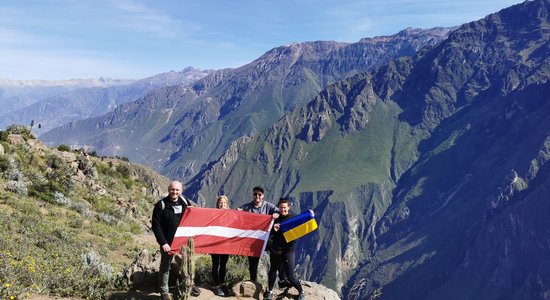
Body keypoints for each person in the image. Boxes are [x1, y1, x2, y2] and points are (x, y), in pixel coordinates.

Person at [151, 181, 197, 300]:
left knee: (187, 264)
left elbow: (192, 216)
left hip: (183, 242)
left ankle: (189, 284)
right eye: (172, 189)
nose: (174, 192)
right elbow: (156, 225)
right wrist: (163, 243)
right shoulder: (161, 205)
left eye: (177, 190)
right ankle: (164, 291)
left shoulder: (185, 202)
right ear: (169, 189)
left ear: (181, 191)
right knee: (165, 267)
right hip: (168, 242)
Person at [263, 198, 306, 300]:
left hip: (288, 250)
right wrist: (274, 229)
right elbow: (269, 234)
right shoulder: (275, 219)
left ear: (289, 207)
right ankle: (270, 292)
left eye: (285, 207)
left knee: (290, 275)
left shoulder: (293, 219)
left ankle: (301, 291)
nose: (283, 209)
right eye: (281, 207)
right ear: (279, 208)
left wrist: (310, 214)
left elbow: (295, 235)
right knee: (273, 271)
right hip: (276, 250)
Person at [238, 186, 279, 282]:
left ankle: (280, 278)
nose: (257, 196)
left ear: (263, 196)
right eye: (255, 194)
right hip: (253, 240)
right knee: (253, 263)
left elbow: (279, 211)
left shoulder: (268, 206)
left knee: (277, 252)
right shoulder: (247, 207)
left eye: (259, 194)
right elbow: (238, 212)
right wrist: (237, 212)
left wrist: (276, 215)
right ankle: (253, 282)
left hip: (266, 238)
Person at [211, 195, 231, 297]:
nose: (222, 204)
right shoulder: (213, 214)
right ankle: (216, 285)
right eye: (220, 203)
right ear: (218, 204)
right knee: (216, 264)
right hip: (214, 244)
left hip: (225, 244)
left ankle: (222, 283)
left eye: (224, 203)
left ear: (227, 204)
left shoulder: (231, 214)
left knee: (223, 264)